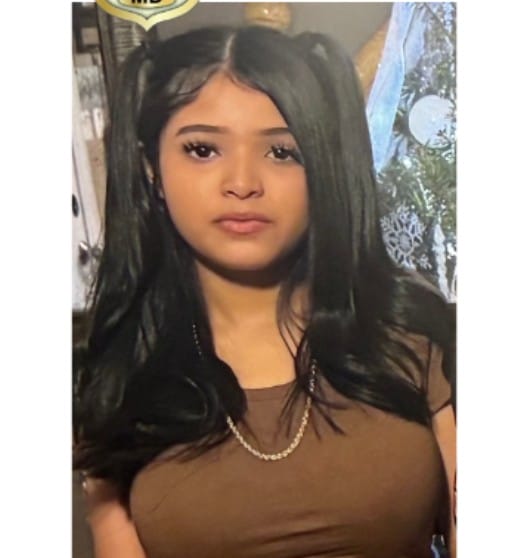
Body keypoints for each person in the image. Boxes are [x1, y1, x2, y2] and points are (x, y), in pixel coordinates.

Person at [73, 24, 456, 558]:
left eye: (281, 152)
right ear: (151, 169)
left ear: (322, 166)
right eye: (202, 149)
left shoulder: (411, 331)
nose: (242, 183)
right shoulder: (117, 370)